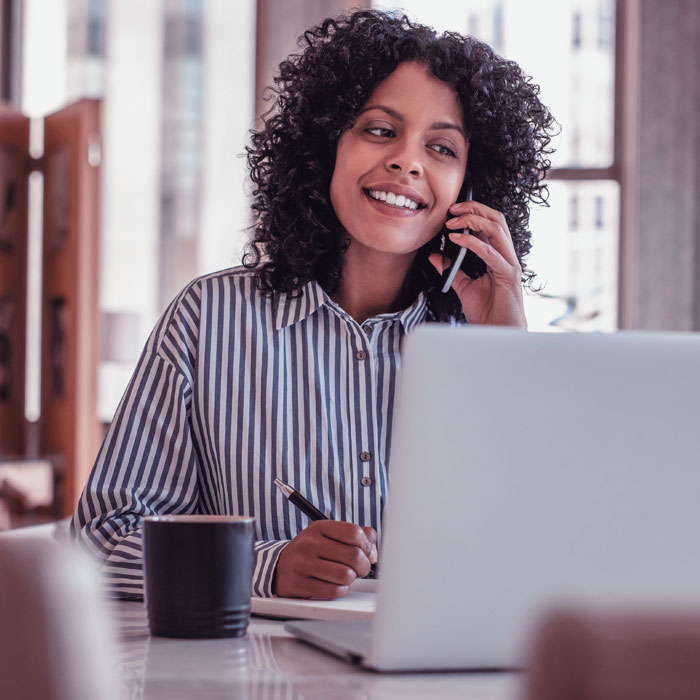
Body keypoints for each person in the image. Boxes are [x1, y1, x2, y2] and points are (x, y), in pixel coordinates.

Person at [71, 10, 555, 600]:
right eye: (380, 130)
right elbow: (99, 542)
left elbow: (544, 550)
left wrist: (508, 356)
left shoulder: (481, 340)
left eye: (442, 147)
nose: (408, 161)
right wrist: (264, 569)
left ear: (470, 190)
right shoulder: (208, 319)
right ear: (325, 145)